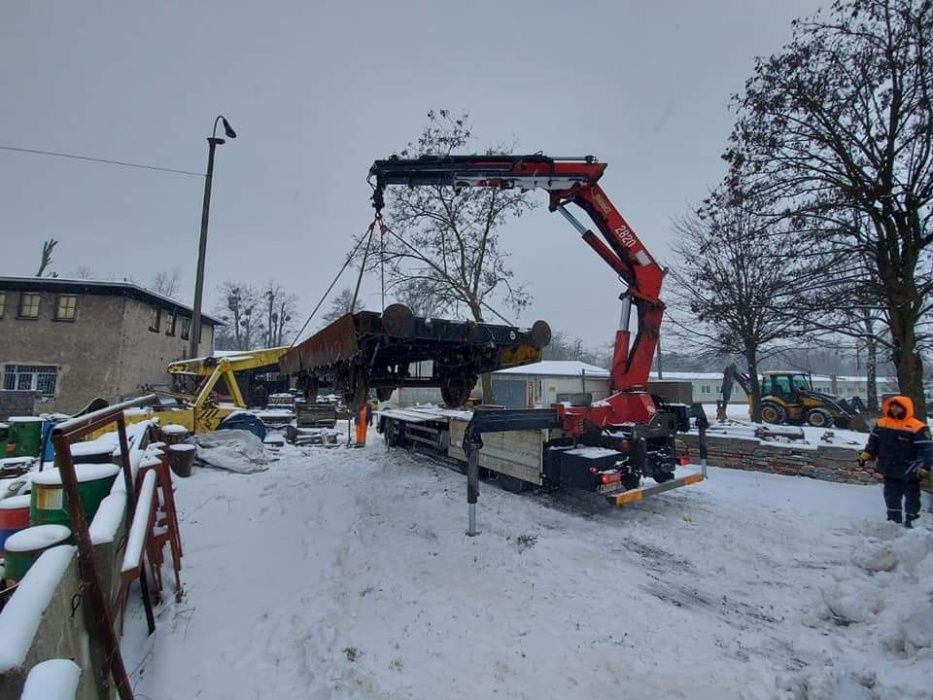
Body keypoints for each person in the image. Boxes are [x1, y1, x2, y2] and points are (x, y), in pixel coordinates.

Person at [859, 395, 932, 528]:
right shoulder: (881, 423)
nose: (894, 408)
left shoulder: (918, 427)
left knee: (912, 497)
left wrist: (925, 466)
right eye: (892, 405)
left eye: (897, 406)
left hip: (909, 469)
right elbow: (873, 443)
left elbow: (927, 449)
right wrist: (866, 455)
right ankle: (893, 522)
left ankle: (912, 521)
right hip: (888, 468)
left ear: (905, 408)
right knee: (891, 496)